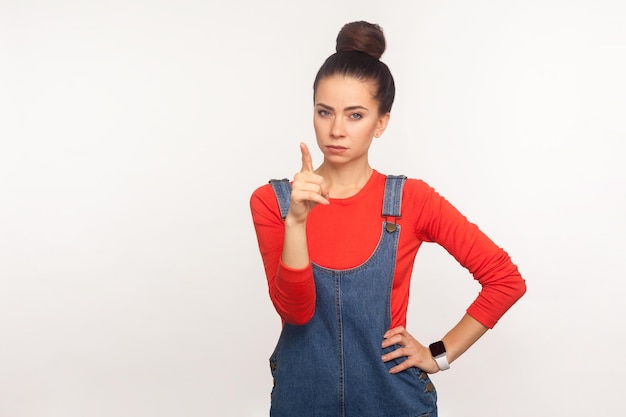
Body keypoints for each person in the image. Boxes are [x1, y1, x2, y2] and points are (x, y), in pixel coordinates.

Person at [250, 21, 526, 417]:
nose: (337, 129)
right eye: (324, 112)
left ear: (381, 123)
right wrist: (296, 222)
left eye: (356, 115)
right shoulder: (273, 202)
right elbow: (296, 312)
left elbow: (505, 280)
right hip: (301, 403)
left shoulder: (410, 200)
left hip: (393, 403)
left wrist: (439, 354)